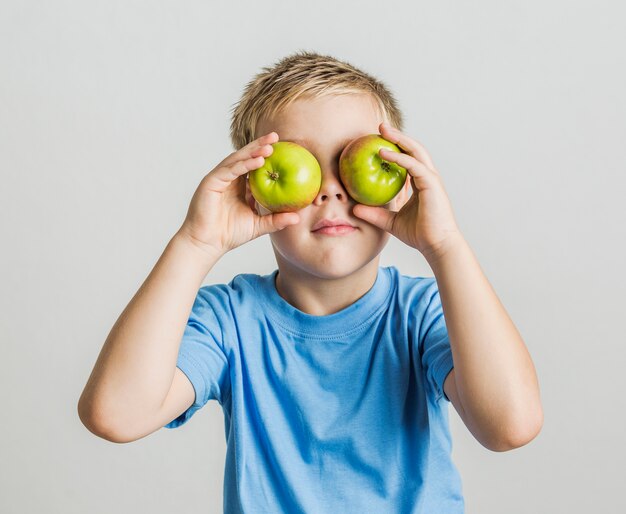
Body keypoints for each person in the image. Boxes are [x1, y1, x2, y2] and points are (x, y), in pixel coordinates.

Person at [78, 51, 543, 513]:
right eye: (304, 163)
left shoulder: (422, 314)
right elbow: (117, 415)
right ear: (253, 192)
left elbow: (510, 426)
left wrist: (445, 245)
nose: (330, 189)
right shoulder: (230, 321)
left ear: (402, 182)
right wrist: (196, 243)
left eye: (349, 162)